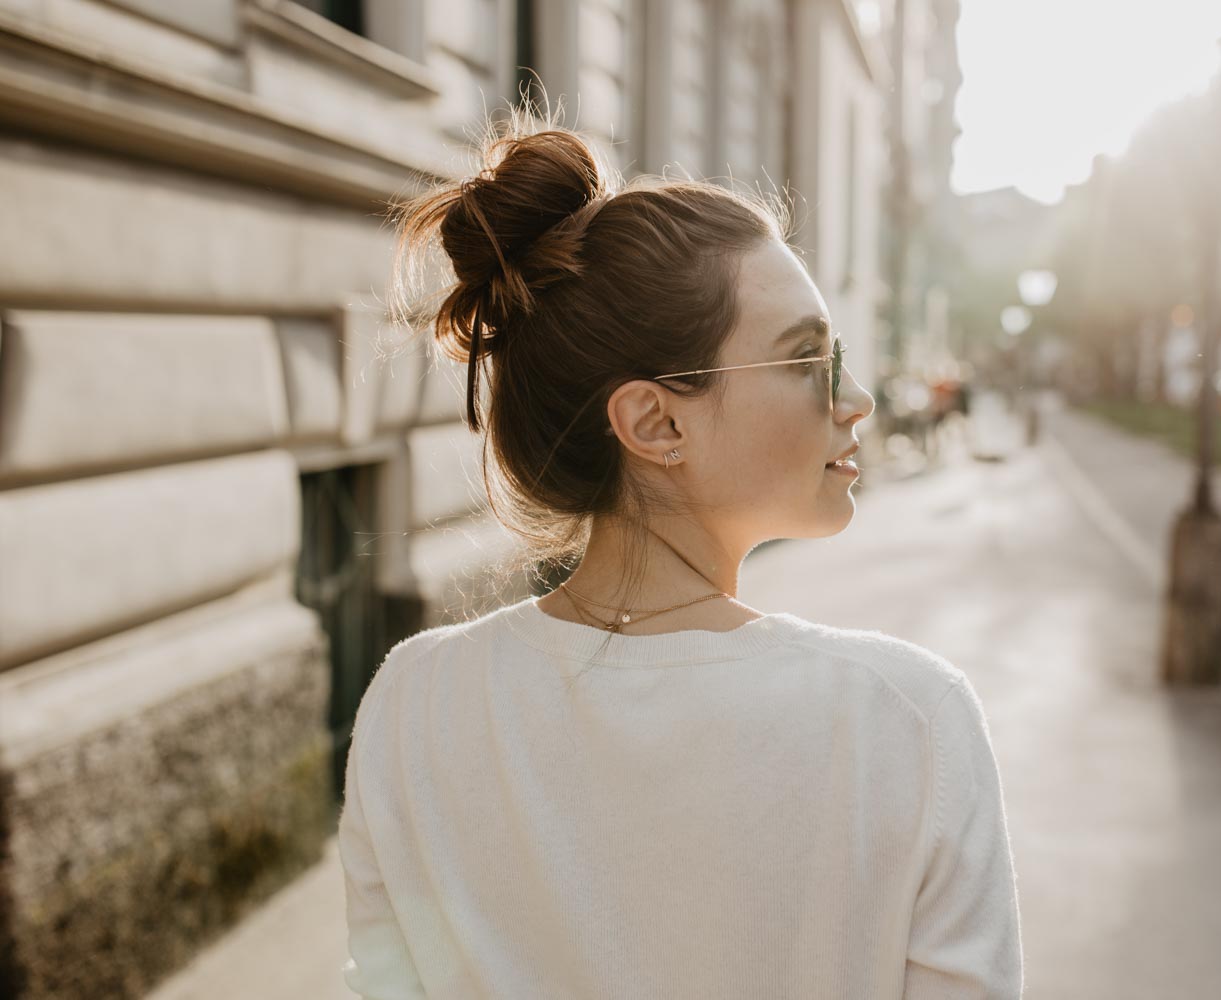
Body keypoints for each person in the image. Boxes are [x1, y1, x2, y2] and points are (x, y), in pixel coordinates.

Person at [338, 101, 1024, 999]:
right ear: (655, 421)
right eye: (806, 359)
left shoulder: (412, 706)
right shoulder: (906, 721)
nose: (854, 397)